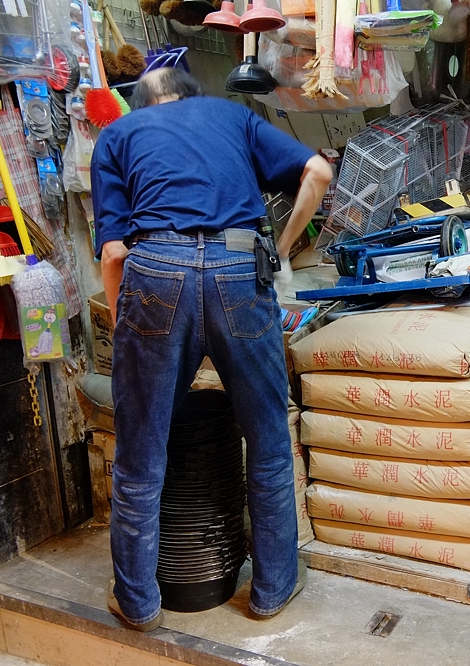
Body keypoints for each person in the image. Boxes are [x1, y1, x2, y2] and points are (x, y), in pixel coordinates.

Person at [91, 68, 332, 631]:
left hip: (155, 269)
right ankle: (272, 590)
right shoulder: (233, 116)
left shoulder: (120, 136)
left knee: (140, 454)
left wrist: (136, 324)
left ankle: (139, 604)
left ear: (142, 104)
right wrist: (280, 249)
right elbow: (317, 171)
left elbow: (113, 257)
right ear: (194, 99)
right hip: (238, 263)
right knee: (268, 440)